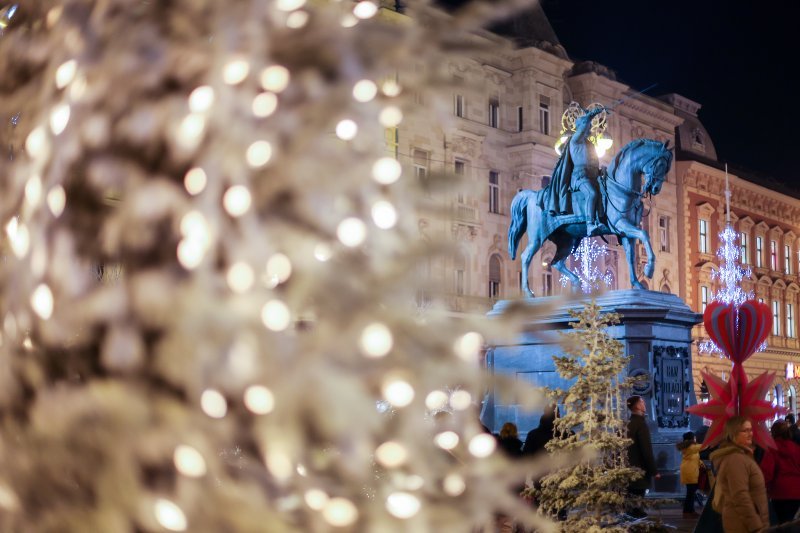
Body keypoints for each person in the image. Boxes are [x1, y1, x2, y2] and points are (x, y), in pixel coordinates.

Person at [538, 106, 605, 236]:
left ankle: (600, 219)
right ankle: (590, 224)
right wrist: (592, 114)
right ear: (580, 127)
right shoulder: (575, 140)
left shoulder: (590, 144)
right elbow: (583, 126)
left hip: (593, 177)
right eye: (587, 126)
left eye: (590, 126)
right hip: (580, 177)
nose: (589, 128)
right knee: (591, 194)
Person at [709, 416, 769, 533]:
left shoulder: (743, 456)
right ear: (733, 434)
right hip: (743, 524)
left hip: (746, 522)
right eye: (745, 431)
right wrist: (755, 525)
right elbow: (740, 495)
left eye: (750, 430)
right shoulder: (736, 459)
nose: (750, 434)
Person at [760, 420, 800, 526]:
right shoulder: (796, 448)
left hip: (779, 493)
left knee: (783, 523)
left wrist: (764, 487)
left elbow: (767, 472)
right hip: (797, 492)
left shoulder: (772, 449)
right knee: (793, 522)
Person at [626, 395, 660, 518]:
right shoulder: (641, 424)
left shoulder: (628, 424)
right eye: (642, 402)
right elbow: (646, 450)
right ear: (637, 406)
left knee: (630, 506)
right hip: (640, 471)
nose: (644, 404)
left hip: (629, 471)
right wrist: (654, 471)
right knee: (637, 509)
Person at [676, 431, 703, 518]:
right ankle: (688, 512)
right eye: (694, 437)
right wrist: (711, 441)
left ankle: (690, 511)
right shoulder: (690, 447)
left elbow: (694, 457)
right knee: (690, 493)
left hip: (690, 470)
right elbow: (703, 446)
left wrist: (701, 463)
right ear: (691, 439)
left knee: (691, 492)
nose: (695, 439)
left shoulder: (690, 447)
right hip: (690, 471)